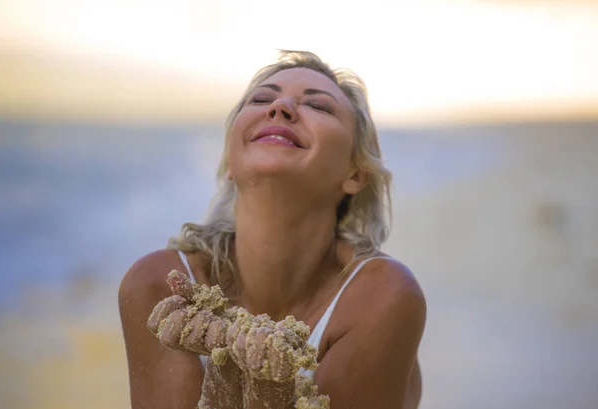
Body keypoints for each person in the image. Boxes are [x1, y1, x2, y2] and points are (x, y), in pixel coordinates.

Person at [119, 50, 426, 409]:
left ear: (355, 174)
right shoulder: (160, 286)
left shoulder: (380, 295)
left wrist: (267, 383)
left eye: (319, 107)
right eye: (262, 99)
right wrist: (229, 373)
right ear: (231, 163)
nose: (279, 107)